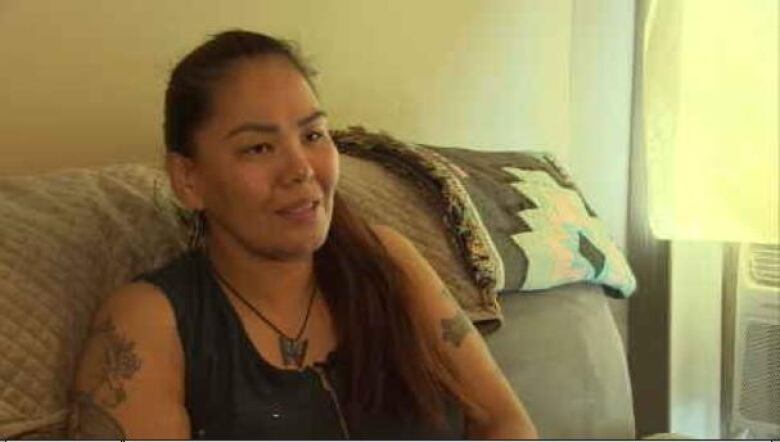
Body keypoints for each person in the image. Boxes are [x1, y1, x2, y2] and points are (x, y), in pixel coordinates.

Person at [68, 29, 538, 440]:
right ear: (189, 179)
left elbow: (505, 422)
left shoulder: (387, 261)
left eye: (313, 136)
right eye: (259, 147)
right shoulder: (150, 322)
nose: (300, 169)